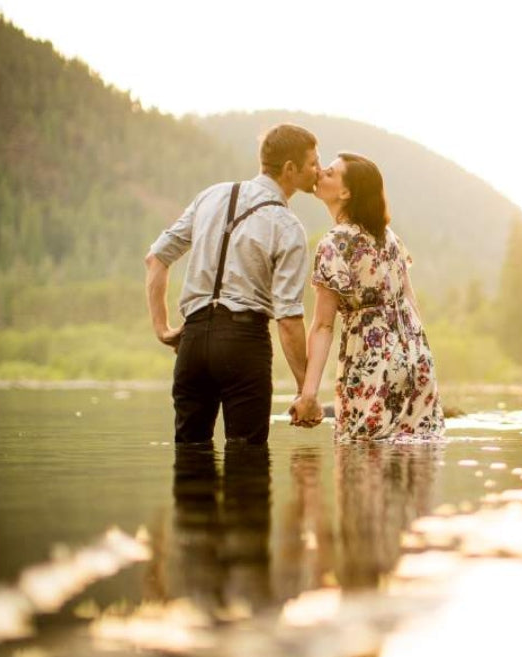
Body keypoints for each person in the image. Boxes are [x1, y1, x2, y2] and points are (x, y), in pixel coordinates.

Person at [145, 123, 320, 445]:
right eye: (313, 163)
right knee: (247, 462)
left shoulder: (211, 196)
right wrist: (304, 391)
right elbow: (289, 317)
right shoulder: (288, 226)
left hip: (192, 341)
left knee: (190, 454)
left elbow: (157, 258)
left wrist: (162, 328)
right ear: (290, 169)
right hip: (244, 343)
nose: (318, 171)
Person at [289, 153, 445, 442]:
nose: (321, 172)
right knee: (417, 466)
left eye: (330, 173)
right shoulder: (389, 237)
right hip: (416, 357)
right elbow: (410, 300)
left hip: (373, 362)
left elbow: (323, 326)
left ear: (345, 192)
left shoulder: (335, 244)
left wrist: (308, 395)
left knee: (364, 461)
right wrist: (419, 357)